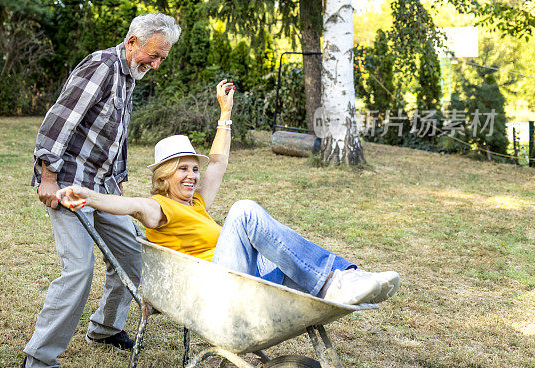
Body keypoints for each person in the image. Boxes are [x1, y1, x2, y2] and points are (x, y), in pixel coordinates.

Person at [56, 80, 401, 307]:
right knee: (245, 211)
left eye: (194, 168)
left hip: (233, 278)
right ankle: (333, 282)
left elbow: (217, 163)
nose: (192, 175)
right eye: (183, 169)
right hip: (214, 293)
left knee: (277, 244)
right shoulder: (159, 208)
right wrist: (86, 194)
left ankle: (343, 278)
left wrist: (225, 114)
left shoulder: (198, 203)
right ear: (163, 176)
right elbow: (126, 204)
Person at [18, 13, 182, 368]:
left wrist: (119, 181)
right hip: (69, 185)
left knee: (132, 257)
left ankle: (105, 329)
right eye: (152, 56)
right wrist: (47, 174)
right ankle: (36, 367)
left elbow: (117, 134)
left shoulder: (129, 77)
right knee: (78, 269)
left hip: (104, 186)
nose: (155, 65)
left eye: (161, 59)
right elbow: (59, 119)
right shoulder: (102, 66)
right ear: (132, 42)